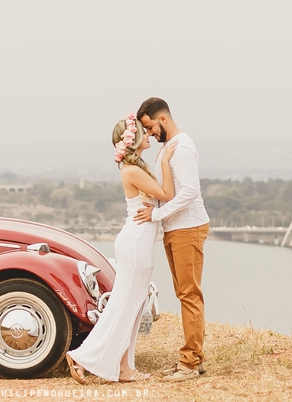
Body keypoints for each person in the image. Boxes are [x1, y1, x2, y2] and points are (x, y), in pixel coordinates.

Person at [66, 112, 177, 384]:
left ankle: (119, 366)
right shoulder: (133, 170)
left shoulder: (134, 168)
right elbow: (168, 194)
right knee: (127, 306)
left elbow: (158, 198)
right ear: (134, 139)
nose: (149, 134)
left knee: (131, 305)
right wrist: (165, 161)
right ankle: (89, 358)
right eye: (143, 131)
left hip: (138, 240)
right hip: (137, 242)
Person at [132, 97, 210, 381]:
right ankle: (193, 359)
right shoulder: (167, 148)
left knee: (189, 294)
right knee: (184, 293)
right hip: (175, 228)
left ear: (162, 118)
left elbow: (190, 191)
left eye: (151, 127)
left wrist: (157, 214)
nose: (150, 133)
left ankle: (190, 362)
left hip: (188, 227)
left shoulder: (182, 146)